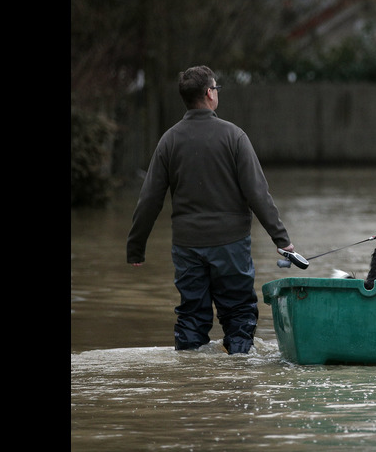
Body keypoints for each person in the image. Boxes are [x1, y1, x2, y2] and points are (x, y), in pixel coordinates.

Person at [126, 65, 295, 354]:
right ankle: (238, 375)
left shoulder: (169, 140)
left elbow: (150, 198)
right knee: (239, 314)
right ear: (208, 94)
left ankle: (191, 381)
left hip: (187, 245)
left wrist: (136, 248)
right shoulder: (235, 137)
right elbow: (258, 193)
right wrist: (282, 241)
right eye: (216, 88)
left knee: (191, 317)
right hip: (230, 244)